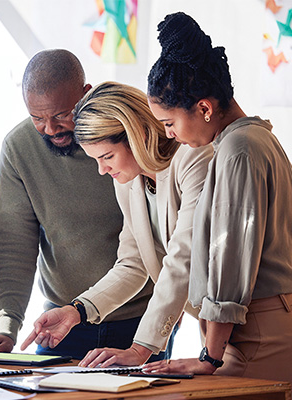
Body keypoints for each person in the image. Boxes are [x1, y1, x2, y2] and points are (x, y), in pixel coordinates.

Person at [20, 81, 212, 367]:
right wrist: (76, 311)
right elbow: (133, 264)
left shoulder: (192, 159)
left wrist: (140, 348)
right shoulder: (129, 181)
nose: (102, 169)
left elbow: (183, 259)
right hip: (213, 321)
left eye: (107, 157)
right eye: (95, 159)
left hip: (252, 312)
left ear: (137, 135)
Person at [144, 12, 292, 383]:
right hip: (254, 325)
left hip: (256, 331)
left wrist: (209, 356)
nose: (172, 135)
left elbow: (230, 254)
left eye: (169, 123)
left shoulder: (238, 149)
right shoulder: (255, 139)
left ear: (205, 108)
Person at [0, 49, 156, 360]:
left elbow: (159, 257)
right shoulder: (18, 148)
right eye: (37, 118)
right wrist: (7, 325)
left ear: (85, 95)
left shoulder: (122, 147)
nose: (50, 129)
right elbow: (16, 244)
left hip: (141, 318)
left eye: (61, 115)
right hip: (63, 321)